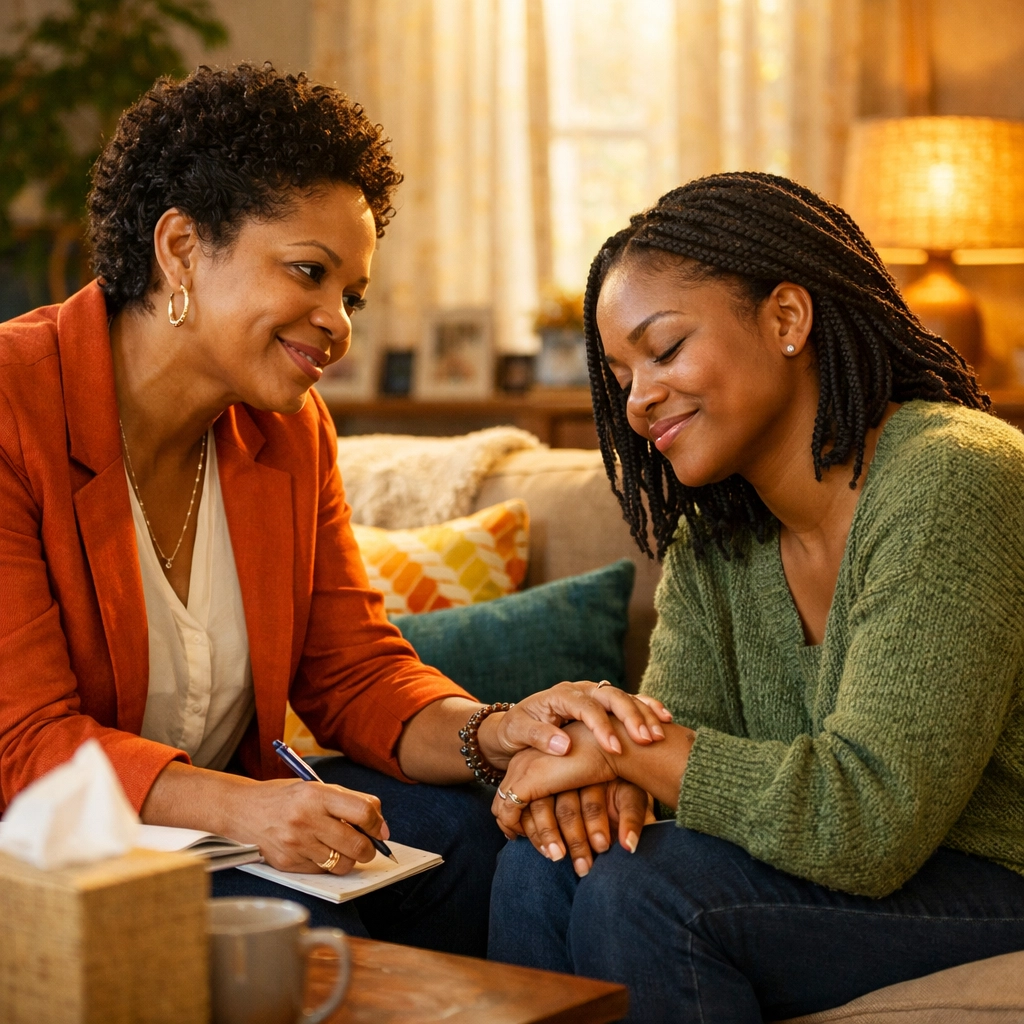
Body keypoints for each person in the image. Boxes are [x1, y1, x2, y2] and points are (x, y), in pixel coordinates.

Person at [0, 63, 673, 955]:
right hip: (49, 846)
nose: (340, 324)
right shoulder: (15, 404)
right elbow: (25, 744)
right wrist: (249, 810)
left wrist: (495, 732)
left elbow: (352, 669)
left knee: (496, 846)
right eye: (308, 274)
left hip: (214, 826)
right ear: (181, 250)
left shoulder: (286, 432)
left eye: (349, 295)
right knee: (299, 923)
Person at [487, 172, 1024, 1019]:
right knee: (548, 861)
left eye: (663, 351)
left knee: (647, 891)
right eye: (622, 375)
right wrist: (606, 774)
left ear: (786, 319)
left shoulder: (951, 477)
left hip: (997, 876)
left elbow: (870, 820)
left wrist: (619, 749)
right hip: (845, 876)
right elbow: (674, 750)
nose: (638, 401)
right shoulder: (716, 540)